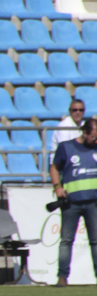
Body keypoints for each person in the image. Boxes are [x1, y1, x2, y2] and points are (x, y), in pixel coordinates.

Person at [50, 118, 97, 287]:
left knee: (95, 241)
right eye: (94, 137)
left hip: (94, 203)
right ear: (84, 133)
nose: (96, 141)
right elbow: (54, 166)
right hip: (71, 202)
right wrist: (57, 186)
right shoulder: (66, 147)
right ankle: (62, 277)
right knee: (66, 240)